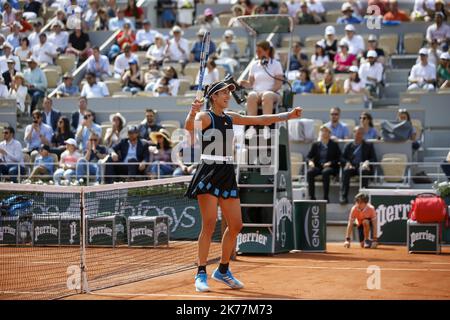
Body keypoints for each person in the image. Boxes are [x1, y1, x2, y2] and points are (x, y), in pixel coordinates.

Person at [184, 80, 302, 292]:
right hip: (209, 171)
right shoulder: (204, 116)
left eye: (228, 93)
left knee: (236, 225)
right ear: (213, 97)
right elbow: (189, 130)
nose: (228, 96)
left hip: (227, 171)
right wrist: (192, 113)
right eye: (223, 94)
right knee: (209, 224)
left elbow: (260, 119)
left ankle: (222, 270)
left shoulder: (231, 118)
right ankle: (201, 272)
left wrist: (287, 116)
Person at [239, 40, 283, 116]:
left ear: (267, 51)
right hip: (257, 93)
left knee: (267, 95)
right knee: (251, 96)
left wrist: (266, 91)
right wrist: (242, 83)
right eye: (256, 51)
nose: (257, 53)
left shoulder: (276, 64)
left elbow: (278, 85)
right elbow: (250, 84)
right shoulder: (254, 65)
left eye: (259, 51)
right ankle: (252, 125)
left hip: (273, 94)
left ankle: (266, 125)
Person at [340, 126, 377, 204]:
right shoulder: (348, 145)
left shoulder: (368, 145)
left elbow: (374, 159)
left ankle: (363, 198)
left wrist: (367, 162)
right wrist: (347, 163)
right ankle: (343, 197)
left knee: (364, 171)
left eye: (360, 133)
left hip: (362, 166)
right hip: (352, 167)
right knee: (346, 171)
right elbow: (342, 158)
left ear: (363, 134)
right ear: (353, 133)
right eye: (356, 133)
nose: (358, 135)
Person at [306, 125, 341, 202]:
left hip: (331, 167)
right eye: (322, 131)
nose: (323, 133)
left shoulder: (334, 145)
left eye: (326, 131)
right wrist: (310, 162)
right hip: (319, 166)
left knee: (325, 172)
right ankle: (311, 197)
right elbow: (308, 157)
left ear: (329, 133)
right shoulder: (316, 145)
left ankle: (326, 197)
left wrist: (330, 163)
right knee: (310, 172)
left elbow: (339, 158)